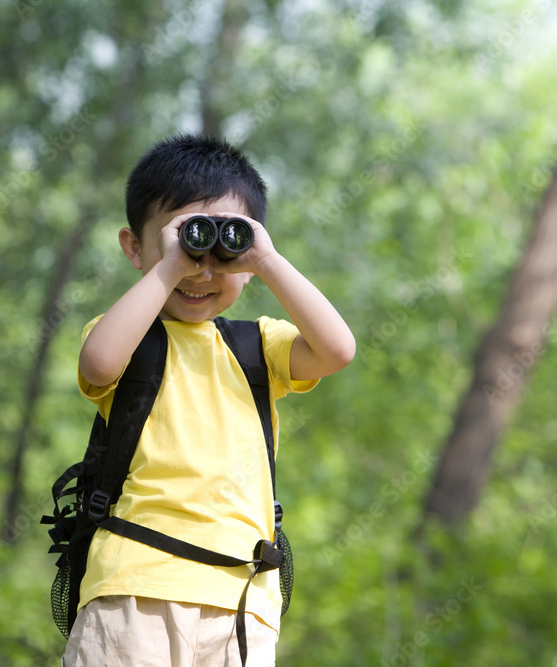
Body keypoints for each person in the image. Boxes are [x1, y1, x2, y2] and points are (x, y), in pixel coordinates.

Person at [62, 134, 355, 666]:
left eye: (226, 249)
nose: (202, 269)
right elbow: (99, 364)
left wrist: (265, 260)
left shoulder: (258, 347)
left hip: (243, 600)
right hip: (136, 588)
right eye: (184, 242)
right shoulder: (126, 337)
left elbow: (337, 349)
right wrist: (169, 266)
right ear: (134, 248)